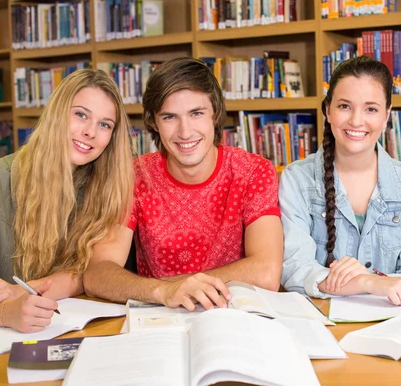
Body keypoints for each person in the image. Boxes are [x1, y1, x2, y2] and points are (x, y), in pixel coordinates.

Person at [83, 57, 284, 311]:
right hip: (160, 316)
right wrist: (165, 291)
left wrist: (185, 286)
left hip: (232, 318)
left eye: (196, 113)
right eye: (169, 117)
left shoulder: (254, 172)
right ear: (154, 122)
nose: (185, 132)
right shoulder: (133, 176)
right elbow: (97, 274)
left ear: (215, 114)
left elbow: (266, 272)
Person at [0, 69, 134, 332]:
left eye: (104, 125)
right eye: (81, 115)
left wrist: (26, 293)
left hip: (62, 330)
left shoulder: (104, 189)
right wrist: (4, 313)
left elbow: (83, 272)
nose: (90, 131)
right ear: (57, 113)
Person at [280, 56, 401, 305]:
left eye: (371, 109)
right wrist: (367, 283)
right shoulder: (296, 180)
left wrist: (371, 282)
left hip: (393, 319)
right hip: (320, 322)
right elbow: (295, 272)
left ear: (386, 116)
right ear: (327, 110)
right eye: (344, 106)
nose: (356, 120)